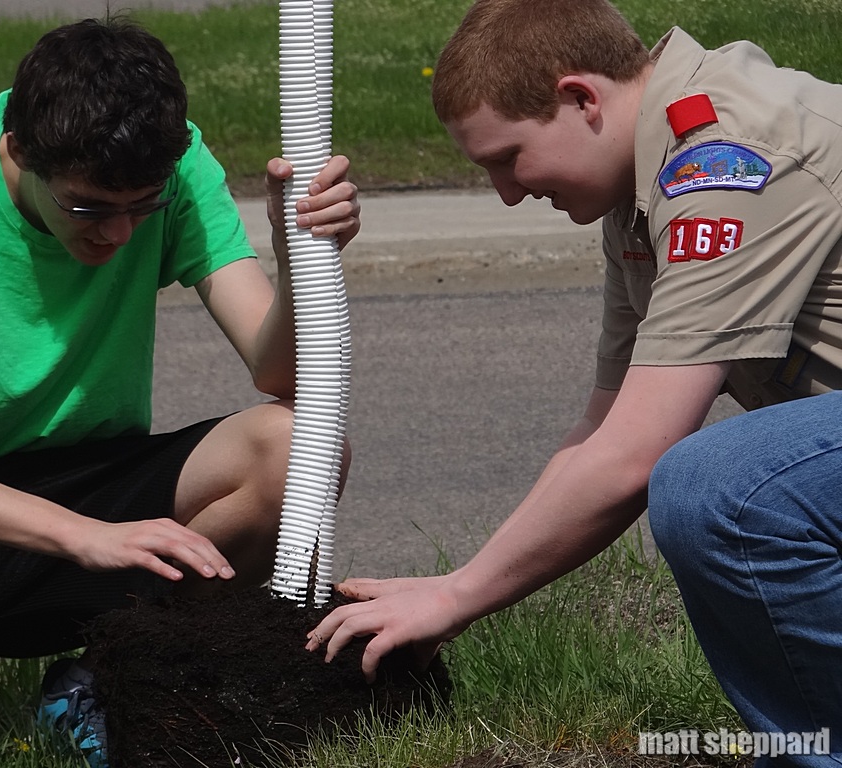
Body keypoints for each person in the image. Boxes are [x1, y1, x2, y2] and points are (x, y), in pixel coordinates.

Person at [307, 0, 842, 763]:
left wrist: (457, 598)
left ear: (581, 98)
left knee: (723, 487)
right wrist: (457, 585)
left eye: (508, 157)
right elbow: (603, 428)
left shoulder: (724, 160)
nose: (506, 193)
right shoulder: (638, 191)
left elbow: (634, 454)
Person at [0, 17, 359, 767]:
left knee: (303, 446)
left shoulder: (174, 168)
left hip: (88, 474)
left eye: (143, 206)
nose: (121, 235)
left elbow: (278, 375)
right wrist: (83, 535)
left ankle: (102, 675)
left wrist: (295, 248)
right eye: (90, 209)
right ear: (18, 151)